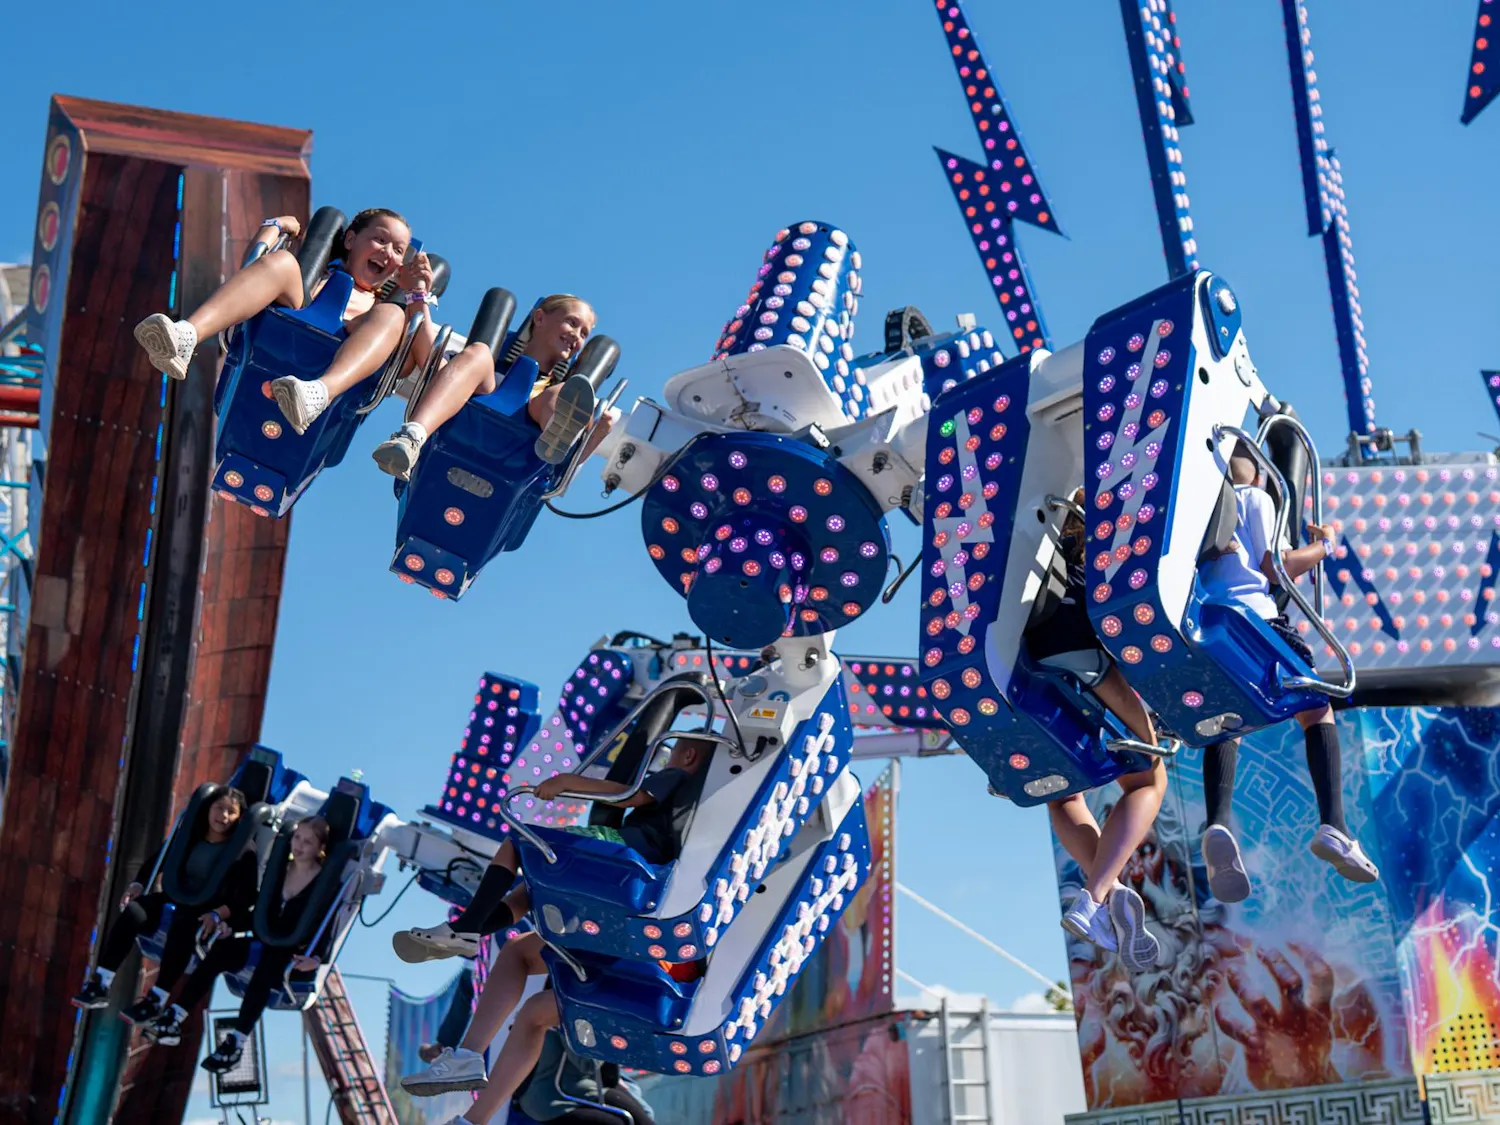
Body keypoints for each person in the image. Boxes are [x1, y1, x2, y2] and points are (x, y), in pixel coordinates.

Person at [397, 737, 715, 1099]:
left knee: (521, 842)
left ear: (687, 755)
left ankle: (467, 929)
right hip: (630, 874)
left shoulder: (678, 778)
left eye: (672, 753)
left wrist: (568, 783)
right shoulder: (697, 802)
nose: (667, 761)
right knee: (526, 904)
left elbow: (630, 796)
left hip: (624, 856)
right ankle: (467, 1056)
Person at [1196, 443, 1379, 899]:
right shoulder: (1254, 498)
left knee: (1228, 723)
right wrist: (1324, 544)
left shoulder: (1194, 509)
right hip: (1258, 619)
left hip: (1211, 622)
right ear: (1257, 475)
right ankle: (1334, 825)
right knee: (1317, 710)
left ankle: (1217, 822)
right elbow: (1275, 568)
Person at [134, 208, 439, 435]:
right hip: (291, 328)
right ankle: (185, 336)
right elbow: (253, 267)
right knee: (281, 263)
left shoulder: (385, 312)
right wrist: (277, 225)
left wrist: (418, 295)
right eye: (380, 240)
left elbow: (427, 362)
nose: (387, 252)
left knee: (392, 315)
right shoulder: (316, 274)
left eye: (398, 250)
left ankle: (319, 393)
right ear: (350, 239)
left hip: (342, 356)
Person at [1026, 491, 1167, 972]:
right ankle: (1092, 896)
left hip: (1024, 672)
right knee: (1149, 777)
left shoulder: (1028, 539)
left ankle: (1106, 894)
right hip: (1081, 656)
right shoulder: (1108, 543)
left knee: (1064, 792)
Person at [72, 786, 258, 1034]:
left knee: (183, 926)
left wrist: (217, 915)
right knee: (135, 912)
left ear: (239, 818)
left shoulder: (244, 852)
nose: (223, 816)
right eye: (219, 808)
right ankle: (101, 983)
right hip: (175, 896)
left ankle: (156, 1000)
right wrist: (139, 884)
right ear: (208, 809)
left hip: (203, 911)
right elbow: (158, 860)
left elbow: (244, 898)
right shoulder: (190, 835)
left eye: (231, 812)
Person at [371, 294, 611, 480]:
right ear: (539, 318)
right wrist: (418, 297)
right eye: (572, 323)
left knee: (559, 396)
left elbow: (560, 478)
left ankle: (556, 437)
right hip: (458, 432)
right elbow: (431, 362)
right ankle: (411, 437)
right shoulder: (486, 364)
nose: (577, 336)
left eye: (584, 333)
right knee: (480, 352)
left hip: (523, 461)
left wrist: (598, 433)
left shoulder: (560, 393)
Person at [167, 816, 333, 1071]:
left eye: (308, 842)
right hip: (264, 937)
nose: (298, 846)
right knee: (221, 951)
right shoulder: (281, 870)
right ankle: (175, 1014)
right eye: (297, 838)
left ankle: (235, 1043)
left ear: (320, 848)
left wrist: (318, 958)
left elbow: (327, 925)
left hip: (292, 950)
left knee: (269, 966)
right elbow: (259, 910)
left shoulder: (324, 882)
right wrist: (230, 925)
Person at [508, 1028, 655, 1125]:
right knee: (624, 1121)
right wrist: (604, 1038)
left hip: (576, 1089)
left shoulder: (539, 1014)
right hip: (556, 1100)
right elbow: (589, 1064)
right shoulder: (565, 1018)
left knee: (643, 1113)